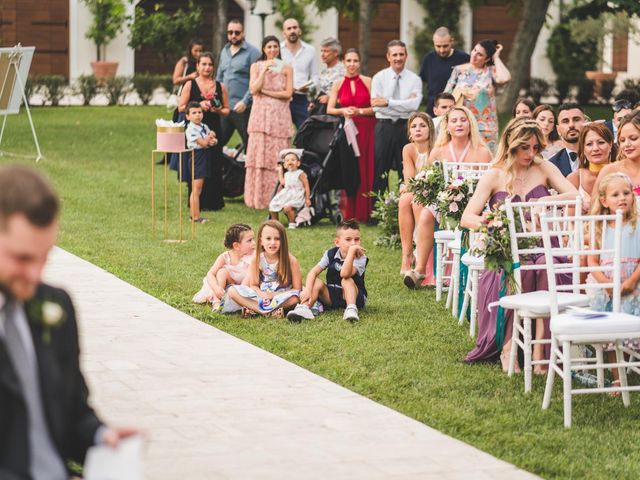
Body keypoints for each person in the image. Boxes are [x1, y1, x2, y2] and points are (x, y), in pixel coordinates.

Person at [0, 165, 137, 478]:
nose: (35, 275)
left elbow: (72, 409)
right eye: (22, 258)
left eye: (45, 256)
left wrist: (100, 437)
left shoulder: (54, 305)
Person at [460, 119, 578, 370]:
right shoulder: (495, 174)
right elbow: (467, 217)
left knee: (546, 268)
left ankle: (540, 354)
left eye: (536, 147)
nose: (531, 154)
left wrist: (545, 202)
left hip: (544, 244)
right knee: (517, 270)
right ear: (511, 145)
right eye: (525, 148)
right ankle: (508, 347)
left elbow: (577, 196)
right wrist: (495, 223)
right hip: (507, 247)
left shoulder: (544, 168)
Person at [403, 106, 491, 289]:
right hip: (445, 202)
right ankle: (419, 270)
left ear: (470, 124)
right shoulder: (439, 150)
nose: (459, 124)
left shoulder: (481, 151)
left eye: (463, 120)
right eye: (454, 121)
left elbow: (487, 184)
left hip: (475, 204)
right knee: (426, 213)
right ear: (447, 126)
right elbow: (425, 178)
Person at [586, 172, 640, 389]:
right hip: (605, 284)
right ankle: (617, 377)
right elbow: (592, 261)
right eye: (615, 194)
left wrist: (631, 282)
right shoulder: (599, 226)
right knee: (609, 330)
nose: (622, 198)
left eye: (626, 193)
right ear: (604, 200)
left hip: (633, 281)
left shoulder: (637, 224)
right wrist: (606, 284)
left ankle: (629, 366)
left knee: (630, 321)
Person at [327, 48, 377, 222]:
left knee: (366, 167)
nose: (352, 64)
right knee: (351, 167)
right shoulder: (338, 83)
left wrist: (361, 111)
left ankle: (368, 210)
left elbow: (376, 107)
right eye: (348, 61)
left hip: (367, 129)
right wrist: (343, 110)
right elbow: (330, 108)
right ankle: (351, 210)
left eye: (355, 61)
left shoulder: (369, 81)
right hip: (348, 129)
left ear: (360, 62)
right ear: (343, 63)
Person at [245, 36, 294, 210]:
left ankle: (278, 196)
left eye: (275, 46)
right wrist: (264, 71)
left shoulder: (286, 68)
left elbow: (287, 93)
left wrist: (266, 92)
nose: (272, 50)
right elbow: (253, 89)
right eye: (269, 47)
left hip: (279, 115)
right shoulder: (256, 66)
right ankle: (257, 197)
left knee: (276, 154)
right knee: (259, 154)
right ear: (264, 49)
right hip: (260, 114)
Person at [287, 219, 368, 323]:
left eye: (357, 239)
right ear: (337, 242)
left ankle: (351, 309)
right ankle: (304, 308)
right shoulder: (330, 254)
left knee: (346, 280)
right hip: (332, 296)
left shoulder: (361, 258)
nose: (353, 243)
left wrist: (351, 253)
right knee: (316, 281)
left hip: (356, 297)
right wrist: (307, 290)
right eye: (348, 239)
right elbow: (313, 272)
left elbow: (345, 273)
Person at [179, 52, 230, 211]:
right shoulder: (190, 84)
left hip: (213, 128)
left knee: (214, 164)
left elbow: (228, 110)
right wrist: (198, 106)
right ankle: (196, 202)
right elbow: (181, 107)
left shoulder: (220, 86)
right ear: (198, 66)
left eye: (210, 65)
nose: (207, 68)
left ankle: (213, 202)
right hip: (195, 131)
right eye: (204, 64)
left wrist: (219, 110)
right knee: (197, 165)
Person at [371, 40, 423, 197]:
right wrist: (404, 103)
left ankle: (405, 208)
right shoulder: (379, 77)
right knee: (380, 169)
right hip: (384, 127)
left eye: (401, 54)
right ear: (388, 56)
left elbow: (414, 106)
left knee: (406, 169)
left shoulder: (415, 79)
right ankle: (378, 214)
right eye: (394, 54)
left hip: (405, 127)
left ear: (406, 56)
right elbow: (375, 107)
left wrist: (387, 102)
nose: (398, 58)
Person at [444, 39, 511, 152]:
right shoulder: (459, 70)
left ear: (487, 59)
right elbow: (445, 96)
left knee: (486, 162)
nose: (474, 55)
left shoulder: (491, 72)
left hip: (486, 128)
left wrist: (496, 58)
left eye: (480, 54)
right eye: (474, 50)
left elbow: (505, 78)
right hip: (462, 126)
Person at [225, 220, 301, 318]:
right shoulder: (257, 259)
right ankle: (266, 311)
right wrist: (262, 294)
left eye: (277, 239)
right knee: (232, 291)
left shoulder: (291, 260)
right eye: (268, 238)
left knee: (295, 298)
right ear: (261, 241)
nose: (273, 242)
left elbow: (297, 289)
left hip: (281, 296)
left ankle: (256, 310)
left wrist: (272, 295)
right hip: (261, 296)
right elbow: (253, 285)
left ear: (283, 240)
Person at [398, 112, 436, 277]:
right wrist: (410, 187)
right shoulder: (408, 149)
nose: (418, 129)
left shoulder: (436, 148)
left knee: (414, 201)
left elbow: (434, 178)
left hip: (433, 189)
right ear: (409, 132)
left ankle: (422, 257)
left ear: (430, 129)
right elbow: (409, 178)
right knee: (405, 200)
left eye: (422, 125)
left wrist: (413, 187)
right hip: (415, 188)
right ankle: (407, 255)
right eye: (414, 126)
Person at [216, 19, 261, 150]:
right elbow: (219, 77)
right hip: (225, 108)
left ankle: (250, 171)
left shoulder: (253, 52)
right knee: (218, 143)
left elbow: (256, 81)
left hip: (244, 109)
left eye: (237, 32)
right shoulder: (224, 51)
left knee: (250, 145)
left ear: (243, 33)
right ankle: (221, 170)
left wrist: (245, 101)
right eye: (230, 32)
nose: (233, 35)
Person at [192, 224, 255, 310]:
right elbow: (210, 273)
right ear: (236, 246)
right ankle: (216, 300)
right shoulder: (225, 257)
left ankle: (236, 301)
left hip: (246, 287)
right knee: (222, 272)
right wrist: (216, 288)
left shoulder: (253, 257)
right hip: (227, 287)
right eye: (249, 240)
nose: (254, 243)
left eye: (253, 239)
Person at [418, 26, 469, 116]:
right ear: (433, 42)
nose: (441, 50)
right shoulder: (428, 58)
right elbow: (424, 81)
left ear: (451, 41)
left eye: (445, 46)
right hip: (433, 110)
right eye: (438, 46)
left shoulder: (464, 58)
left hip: (456, 110)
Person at [183, 101, 218, 223]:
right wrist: (210, 136)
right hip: (197, 157)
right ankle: (195, 217)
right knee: (196, 189)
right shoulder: (190, 129)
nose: (197, 115)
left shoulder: (203, 126)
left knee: (199, 189)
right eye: (194, 113)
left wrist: (213, 140)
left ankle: (196, 215)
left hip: (204, 156)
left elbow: (211, 141)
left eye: (199, 112)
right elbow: (203, 143)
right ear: (188, 116)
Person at [567, 122, 615, 210]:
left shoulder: (621, 173)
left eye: (601, 142)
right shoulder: (575, 178)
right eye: (589, 144)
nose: (595, 148)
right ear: (583, 149)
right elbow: (570, 220)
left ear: (610, 144)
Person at [280, 18, 318, 129]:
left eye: (295, 27)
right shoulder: (278, 51)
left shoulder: (310, 50)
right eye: (289, 28)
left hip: (302, 98)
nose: (292, 31)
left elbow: (315, 75)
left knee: (305, 133)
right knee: (281, 134)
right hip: (283, 98)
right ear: (284, 33)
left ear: (299, 31)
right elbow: (276, 74)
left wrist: (309, 88)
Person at [593, 110, 640, 198]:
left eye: (633, 138)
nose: (627, 144)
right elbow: (595, 209)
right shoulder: (609, 171)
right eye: (622, 140)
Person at [269, 150, 311, 228]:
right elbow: (282, 182)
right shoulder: (287, 174)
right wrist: (280, 171)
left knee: (287, 208)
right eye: (287, 160)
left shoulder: (300, 173)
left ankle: (292, 223)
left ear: (298, 163)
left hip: (297, 195)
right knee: (273, 205)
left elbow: (306, 186)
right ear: (285, 165)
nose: (290, 162)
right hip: (286, 194)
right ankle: (276, 223)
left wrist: (307, 198)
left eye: (293, 160)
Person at [548, 103, 586, 177]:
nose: (571, 125)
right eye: (565, 121)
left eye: (576, 119)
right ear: (558, 130)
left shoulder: (600, 155)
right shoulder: (552, 165)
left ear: (585, 123)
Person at [310, 37, 345, 115]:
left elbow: (347, 96)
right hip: (321, 113)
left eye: (326, 51)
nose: (322, 54)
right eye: (321, 51)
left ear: (336, 53)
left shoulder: (344, 71)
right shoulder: (323, 71)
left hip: (337, 115)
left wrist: (330, 99)